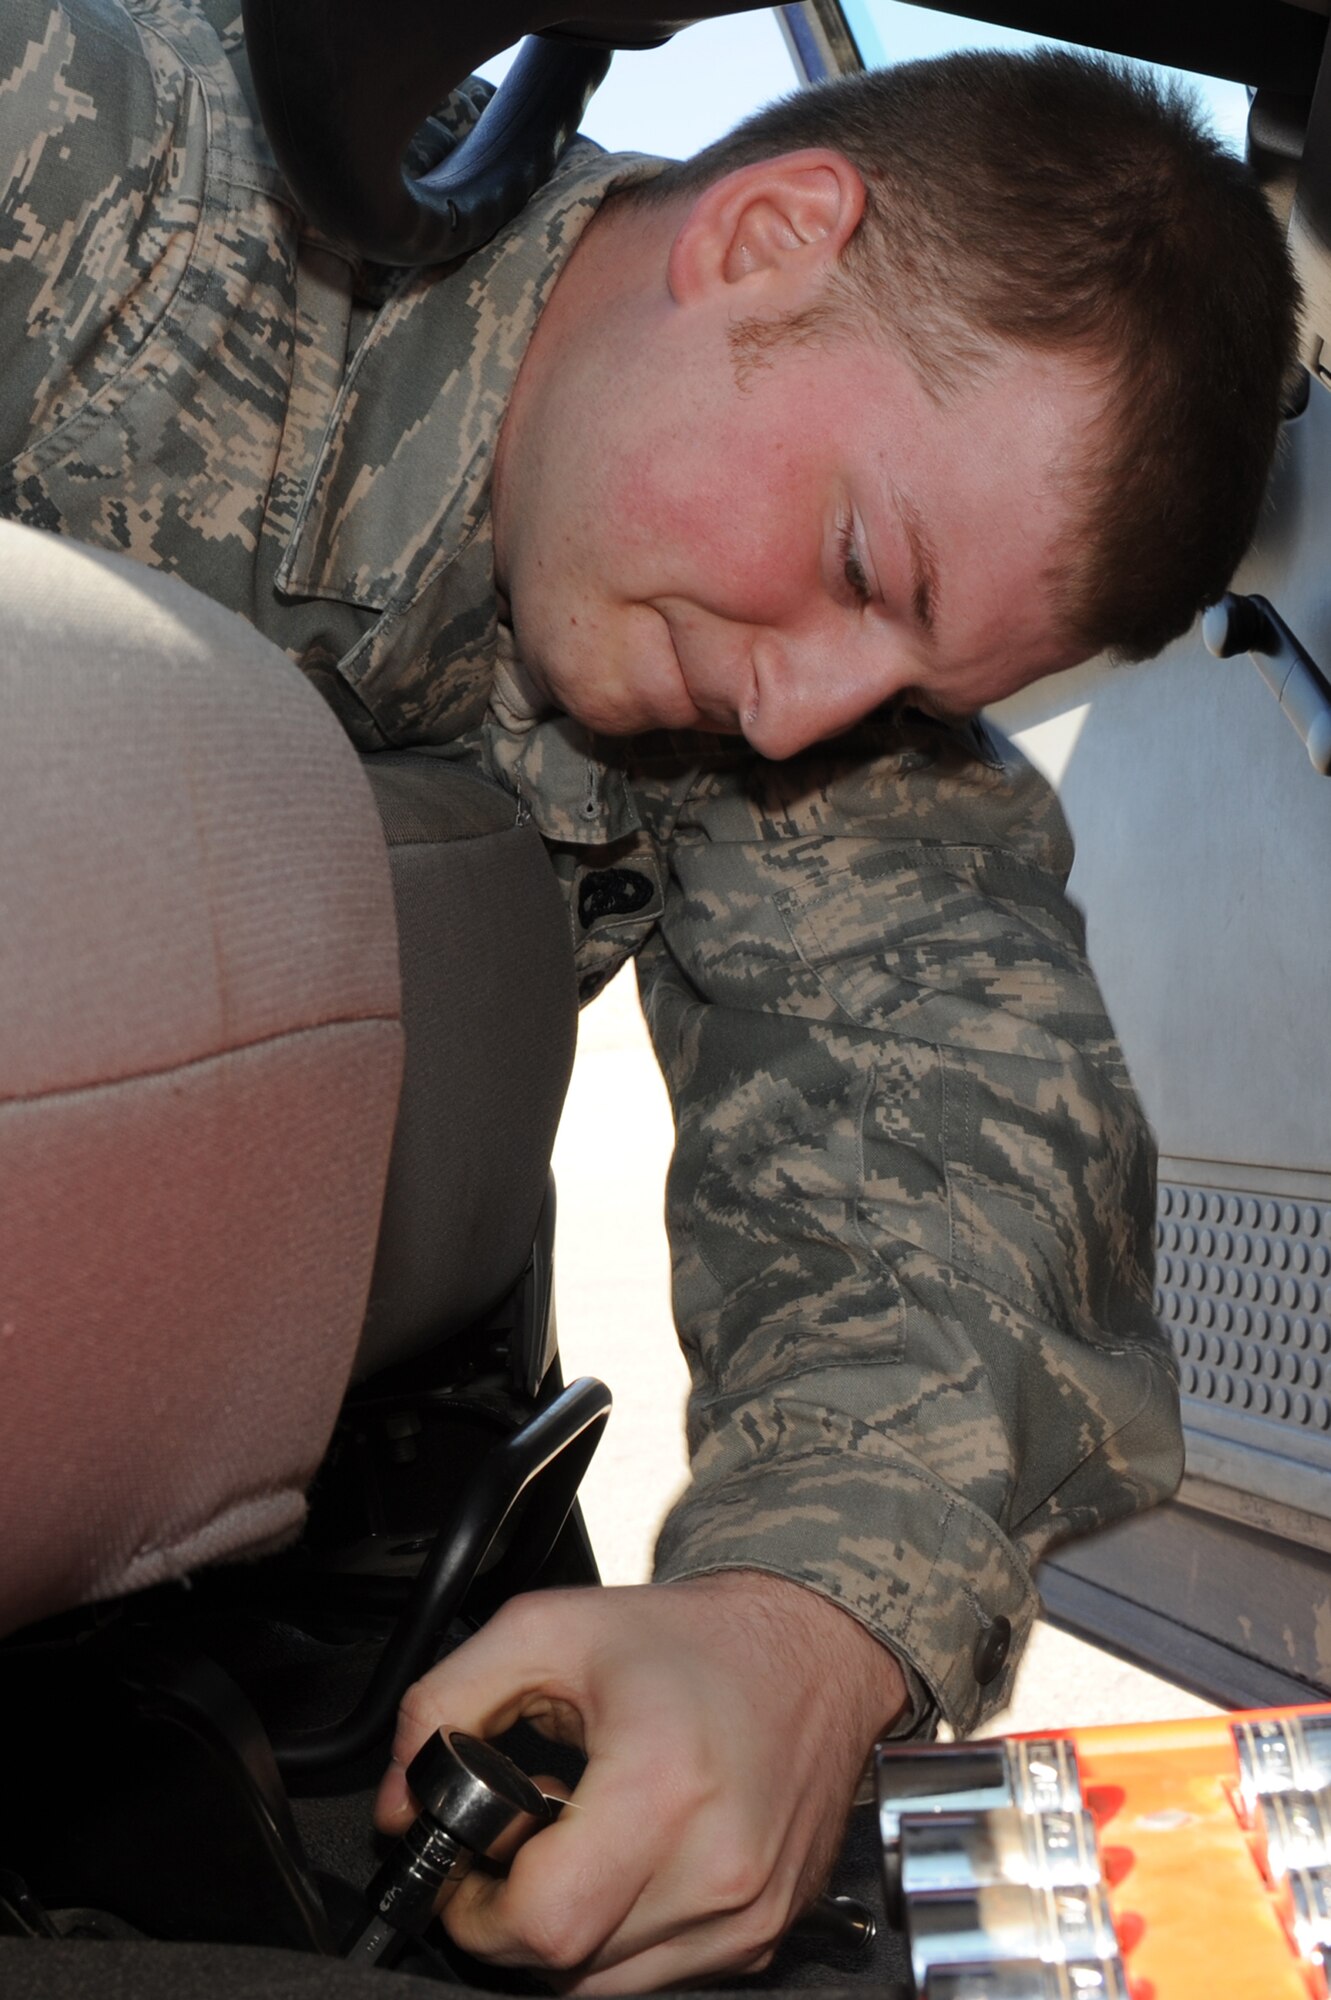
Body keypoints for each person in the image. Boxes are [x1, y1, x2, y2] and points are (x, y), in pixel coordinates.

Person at [0, 1, 1298, 1989]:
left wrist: (797, 1631)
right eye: (863, 563)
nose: (807, 707)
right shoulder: (100, 143)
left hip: (340, 1548)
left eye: (918, 694)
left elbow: (967, 1135)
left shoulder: (794, 716)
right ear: (768, 239)